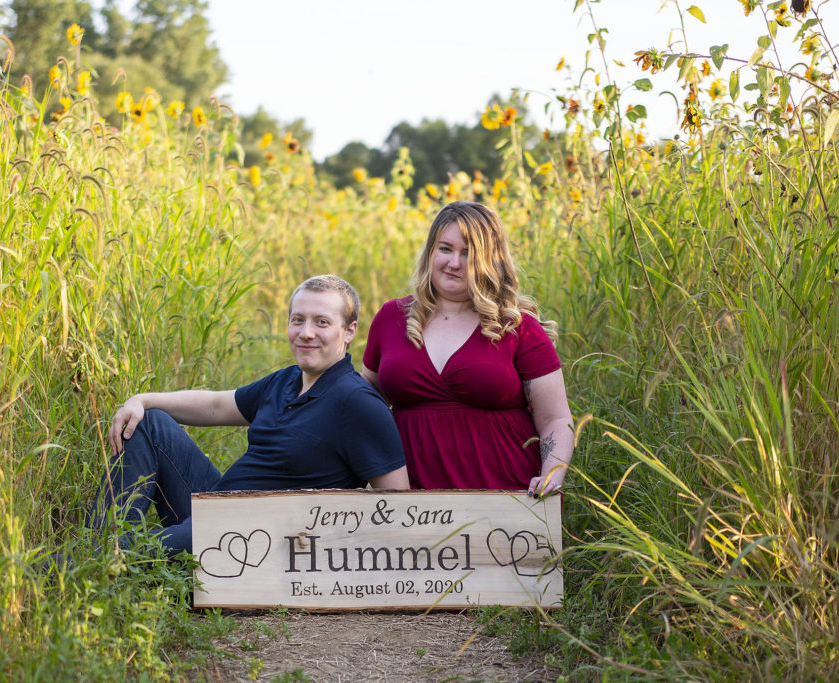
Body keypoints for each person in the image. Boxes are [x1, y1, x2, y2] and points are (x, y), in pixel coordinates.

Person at [94, 274, 409, 557]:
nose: (306, 333)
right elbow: (217, 405)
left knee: (136, 557)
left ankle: (97, 566)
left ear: (349, 330)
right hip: (215, 508)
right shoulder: (286, 380)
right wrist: (141, 399)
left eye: (322, 322)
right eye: (298, 320)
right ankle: (103, 544)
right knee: (149, 421)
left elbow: (397, 505)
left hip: (253, 539)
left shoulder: (357, 402)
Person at [361, 201, 573, 497]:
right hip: (409, 504)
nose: (454, 263)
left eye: (468, 253)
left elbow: (555, 418)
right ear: (430, 252)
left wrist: (552, 473)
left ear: (490, 260)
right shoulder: (391, 317)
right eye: (445, 249)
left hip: (508, 497)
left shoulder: (517, 327)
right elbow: (361, 404)